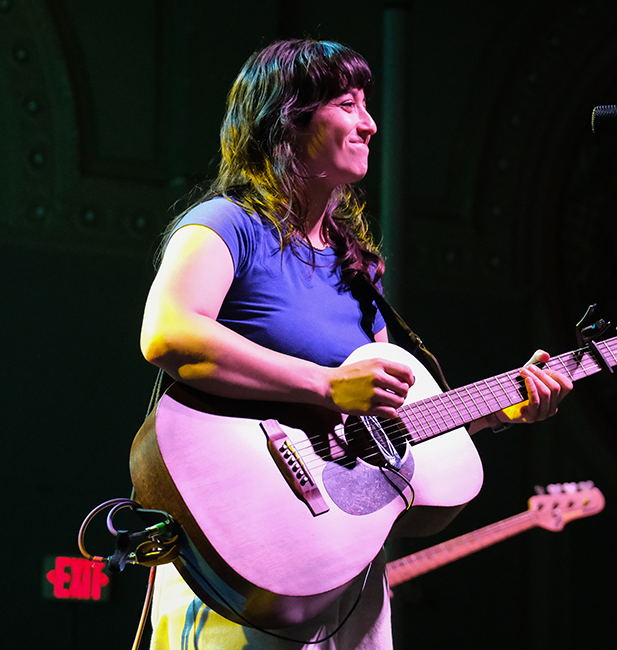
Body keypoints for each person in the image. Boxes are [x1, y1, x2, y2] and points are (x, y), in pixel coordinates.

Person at [138, 38, 573, 650]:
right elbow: (168, 334)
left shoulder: (356, 271)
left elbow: (380, 434)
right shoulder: (224, 224)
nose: (369, 123)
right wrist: (324, 384)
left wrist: (502, 409)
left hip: (345, 572)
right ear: (287, 120)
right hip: (241, 557)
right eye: (347, 103)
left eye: (366, 105)